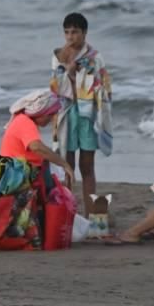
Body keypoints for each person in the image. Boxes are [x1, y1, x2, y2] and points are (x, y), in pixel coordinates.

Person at [0, 89, 74, 250]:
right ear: (41, 111)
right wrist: (64, 164)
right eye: (50, 114)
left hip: (14, 171)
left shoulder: (23, 120)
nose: (51, 119)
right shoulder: (25, 122)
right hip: (11, 173)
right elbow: (36, 147)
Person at [50, 12, 112, 216]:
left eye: (75, 32)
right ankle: (68, 214)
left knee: (87, 165)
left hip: (88, 116)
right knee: (67, 165)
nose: (70, 36)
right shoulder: (58, 55)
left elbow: (103, 88)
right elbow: (55, 88)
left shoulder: (95, 57)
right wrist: (68, 70)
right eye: (67, 32)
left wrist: (78, 75)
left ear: (84, 33)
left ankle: (91, 214)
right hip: (67, 114)